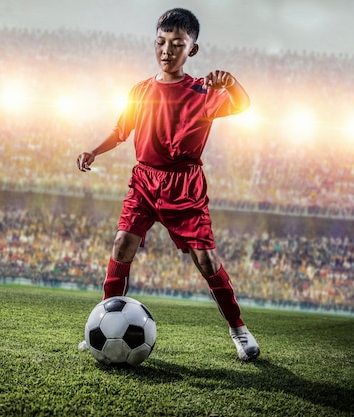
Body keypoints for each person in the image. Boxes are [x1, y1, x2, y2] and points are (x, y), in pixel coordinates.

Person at [76, 8, 259, 361]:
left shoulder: (202, 92)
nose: (167, 50)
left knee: (206, 261)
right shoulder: (140, 91)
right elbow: (120, 131)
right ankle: (101, 323)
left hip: (184, 185)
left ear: (192, 50)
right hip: (144, 179)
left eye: (178, 44)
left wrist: (230, 82)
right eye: (161, 42)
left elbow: (244, 104)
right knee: (121, 245)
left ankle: (239, 329)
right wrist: (94, 150)